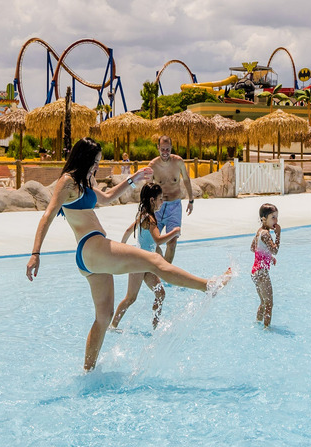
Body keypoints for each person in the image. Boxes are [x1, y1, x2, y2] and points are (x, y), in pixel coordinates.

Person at [26, 137, 230, 371]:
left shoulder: (85, 181)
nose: (96, 167)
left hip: (91, 258)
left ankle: (87, 372)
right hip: (92, 246)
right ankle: (209, 285)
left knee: (104, 317)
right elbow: (48, 215)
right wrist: (35, 253)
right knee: (153, 260)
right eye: (95, 162)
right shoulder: (68, 181)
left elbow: (108, 197)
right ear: (84, 158)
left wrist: (133, 180)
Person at [110, 183, 178, 330]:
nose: (162, 202)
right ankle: (113, 326)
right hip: (139, 262)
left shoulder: (143, 215)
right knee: (131, 297)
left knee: (160, 294)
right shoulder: (150, 219)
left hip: (146, 262)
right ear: (152, 200)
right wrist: (175, 232)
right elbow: (158, 239)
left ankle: (155, 325)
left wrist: (122, 246)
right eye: (160, 198)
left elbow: (129, 230)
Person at [147, 135, 194, 264]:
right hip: (157, 208)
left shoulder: (178, 162)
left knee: (172, 243)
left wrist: (191, 200)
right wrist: (147, 208)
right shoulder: (153, 165)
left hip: (175, 207)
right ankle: (161, 266)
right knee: (152, 243)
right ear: (158, 148)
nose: (165, 152)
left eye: (168, 149)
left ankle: (167, 271)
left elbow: (186, 179)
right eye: (163, 149)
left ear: (171, 148)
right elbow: (148, 188)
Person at [250, 203, 281, 327]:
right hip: (262, 272)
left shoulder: (259, 232)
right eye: (273, 217)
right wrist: (278, 235)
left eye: (277, 217)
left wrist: (268, 256)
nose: (276, 220)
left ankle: (257, 324)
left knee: (263, 303)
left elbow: (253, 248)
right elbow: (276, 250)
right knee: (269, 304)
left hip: (255, 272)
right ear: (263, 219)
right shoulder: (266, 234)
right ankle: (266, 329)